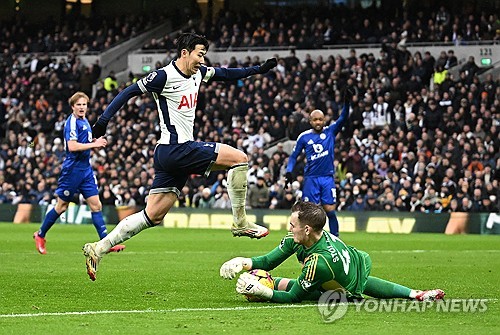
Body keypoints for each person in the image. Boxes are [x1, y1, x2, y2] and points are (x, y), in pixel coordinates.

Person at [83, 32, 277, 280]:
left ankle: (98, 249)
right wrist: (102, 122)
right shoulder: (163, 76)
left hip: (168, 155)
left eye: (204, 55)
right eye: (199, 54)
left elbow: (226, 74)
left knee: (151, 215)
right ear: (185, 52)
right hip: (178, 148)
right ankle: (240, 222)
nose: (202, 59)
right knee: (239, 158)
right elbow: (128, 92)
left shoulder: (199, 73)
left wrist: (257, 70)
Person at [220, 201, 445, 303]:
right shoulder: (300, 238)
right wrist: (242, 261)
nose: (289, 228)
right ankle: (416, 294)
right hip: (354, 263)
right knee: (274, 279)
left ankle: (414, 294)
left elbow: (294, 296)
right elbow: (268, 260)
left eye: (292, 225)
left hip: (343, 290)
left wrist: (262, 292)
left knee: (291, 288)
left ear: (306, 229)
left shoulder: (319, 261)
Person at [33, 92, 125, 254]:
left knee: (96, 205)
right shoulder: (72, 123)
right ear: (73, 107)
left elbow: (84, 142)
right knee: (61, 206)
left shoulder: (85, 121)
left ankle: (106, 243)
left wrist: (92, 142)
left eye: (84, 104)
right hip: (72, 170)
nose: (82, 107)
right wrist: (94, 145)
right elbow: (73, 146)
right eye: (79, 105)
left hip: (86, 170)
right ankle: (40, 235)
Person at [285, 88, 354, 236]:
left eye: (320, 119)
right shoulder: (304, 137)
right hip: (311, 178)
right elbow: (293, 156)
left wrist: (347, 103)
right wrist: (289, 171)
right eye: (315, 119)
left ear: (324, 120)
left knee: (330, 210)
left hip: (327, 178)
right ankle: (307, 239)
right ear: (310, 121)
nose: (318, 122)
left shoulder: (330, 132)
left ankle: (336, 240)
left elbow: (343, 118)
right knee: (310, 213)